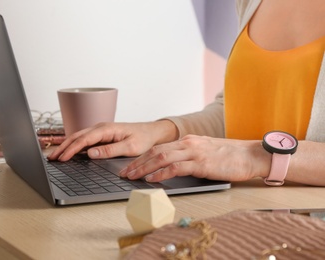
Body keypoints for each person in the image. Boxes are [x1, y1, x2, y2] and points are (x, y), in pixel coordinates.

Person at [48, 0, 325, 186]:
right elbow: (237, 109)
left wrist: (258, 156)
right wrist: (162, 130)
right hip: (240, 213)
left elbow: (244, 150)